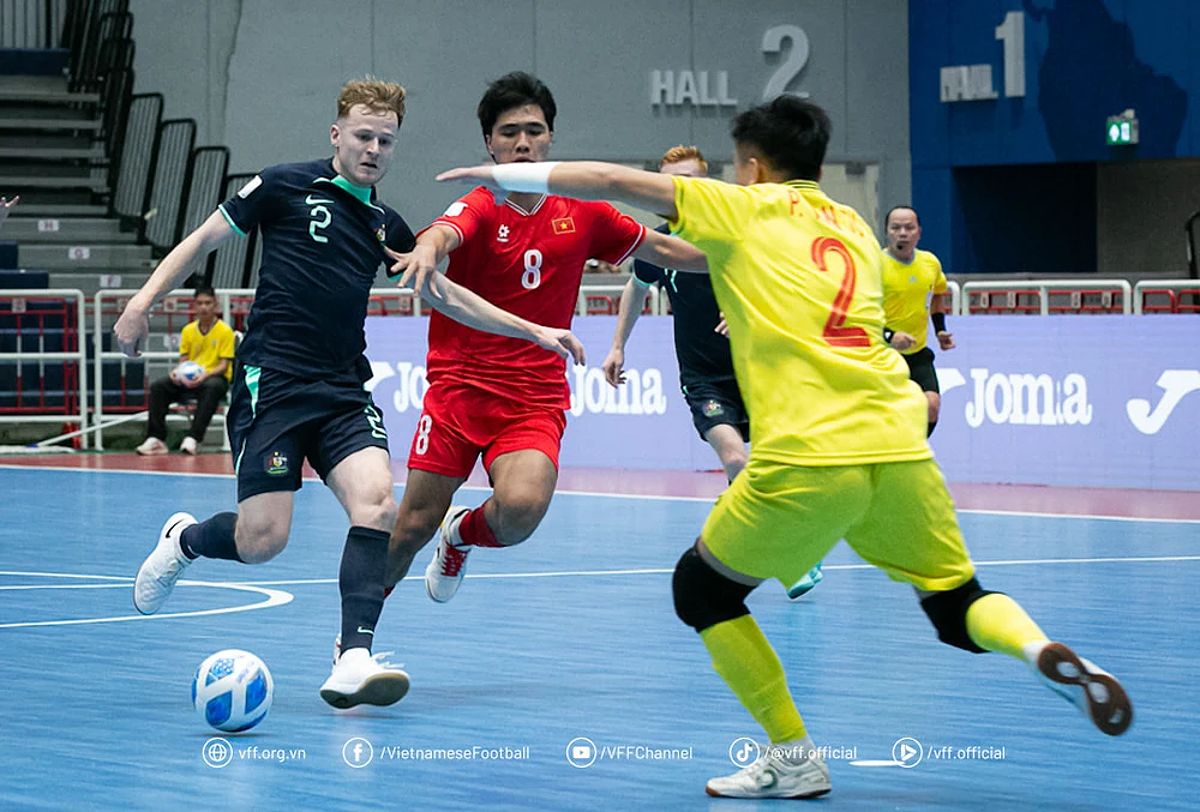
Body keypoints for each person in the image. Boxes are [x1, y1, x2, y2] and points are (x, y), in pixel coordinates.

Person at [431, 95, 1133, 800]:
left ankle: (793, 754)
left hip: (810, 449)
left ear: (755, 166)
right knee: (956, 600)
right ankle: (1035, 646)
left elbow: (614, 183)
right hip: (898, 440)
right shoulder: (853, 223)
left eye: (736, 165)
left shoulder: (746, 208)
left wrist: (514, 178)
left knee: (702, 589)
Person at [114, 78, 584, 711]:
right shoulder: (282, 186)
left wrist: (533, 329)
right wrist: (143, 302)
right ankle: (186, 541)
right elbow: (203, 241)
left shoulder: (384, 222)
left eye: (386, 141)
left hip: (342, 390)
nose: (374, 149)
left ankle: (353, 655)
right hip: (273, 385)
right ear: (337, 134)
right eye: (363, 136)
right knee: (263, 541)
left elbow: (443, 293)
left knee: (378, 506)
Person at [379, 72, 706, 614]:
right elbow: (443, 233)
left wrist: (744, 255)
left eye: (534, 130)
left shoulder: (584, 212)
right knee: (409, 527)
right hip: (460, 387)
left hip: (534, 395)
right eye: (509, 132)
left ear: (551, 138)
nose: (523, 143)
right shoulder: (482, 204)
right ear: (490, 143)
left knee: (522, 511)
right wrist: (426, 250)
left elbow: (662, 250)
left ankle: (461, 535)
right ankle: (355, 640)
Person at [600, 145, 822, 598]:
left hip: (762, 369)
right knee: (737, 458)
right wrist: (618, 344)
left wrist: (750, 308)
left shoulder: (743, 233)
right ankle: (791, 558)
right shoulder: (659, 243)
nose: (683, 189)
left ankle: (757, 521)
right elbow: (637, 287)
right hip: (704, 378)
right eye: (672, 181)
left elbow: (793, 281)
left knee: (779, 470)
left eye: (691, 179)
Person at [135, 285, 235, 456]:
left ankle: (193, 438)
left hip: (214, 377)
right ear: (194, 306)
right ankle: (156, 438)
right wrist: (177, 372)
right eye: (200, 303)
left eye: (208, 303)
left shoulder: (225, 331)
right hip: (189, 378)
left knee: (212, 387)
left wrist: (204, 375)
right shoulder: (188, 330)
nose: (204, 307)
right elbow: (184, 359)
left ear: (215, 305)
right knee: (159, 386)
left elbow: (224, 365)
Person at [880, 205, 954, 436]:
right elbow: (858, 313)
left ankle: (913, 454)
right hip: (881, 355)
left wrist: (940, 329)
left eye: (909, 227)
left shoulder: (930, 263)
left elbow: (937, 293)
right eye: (896, 228)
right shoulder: (874, 265)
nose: (903, 233)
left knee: (931, 406)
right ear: (887, 232)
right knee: (887, 415)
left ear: (919, 232)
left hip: (918, 353)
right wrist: (890, 337)